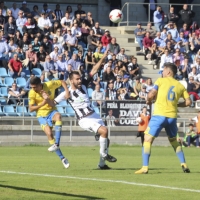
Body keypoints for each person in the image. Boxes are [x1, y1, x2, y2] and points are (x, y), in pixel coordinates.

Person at [45, 51, 117, 169]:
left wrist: (103, 58)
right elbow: (52, 103)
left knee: (106, 140)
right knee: (104, 131)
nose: (80, 80)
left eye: (80, 79)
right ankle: (104, 155)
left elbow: (93, 70)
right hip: (84, 119)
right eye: (77, 79)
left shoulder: (83, 85)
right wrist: (46, 99)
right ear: (71, 80)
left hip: (94, 115)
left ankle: (102, 164)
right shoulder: (66, 93)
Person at [135, 62, 192, 174]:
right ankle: (184, 164)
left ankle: (145, 167)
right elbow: (188, 102)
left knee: (147, 139)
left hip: (159, 115)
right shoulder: (180, 85)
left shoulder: (160, 81)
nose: (162, 72)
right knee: (174, 141)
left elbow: (151, 94)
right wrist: (177, 105)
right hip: (172, 117)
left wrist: (149, 100)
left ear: (169, 72)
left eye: (164, 70)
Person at [28, 77, 70, 168]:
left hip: (51, 111)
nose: (33, 89)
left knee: (58, 116)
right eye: (31, 87)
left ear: (40, 85)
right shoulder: (32, 93)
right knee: (49, 133)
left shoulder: (49, 84)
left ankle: (56, 144)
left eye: (34, 87)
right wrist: (43, 103)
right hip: (41, 115)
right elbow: (31, 109)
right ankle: (62, 158)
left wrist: (66, 91)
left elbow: (62, 82)